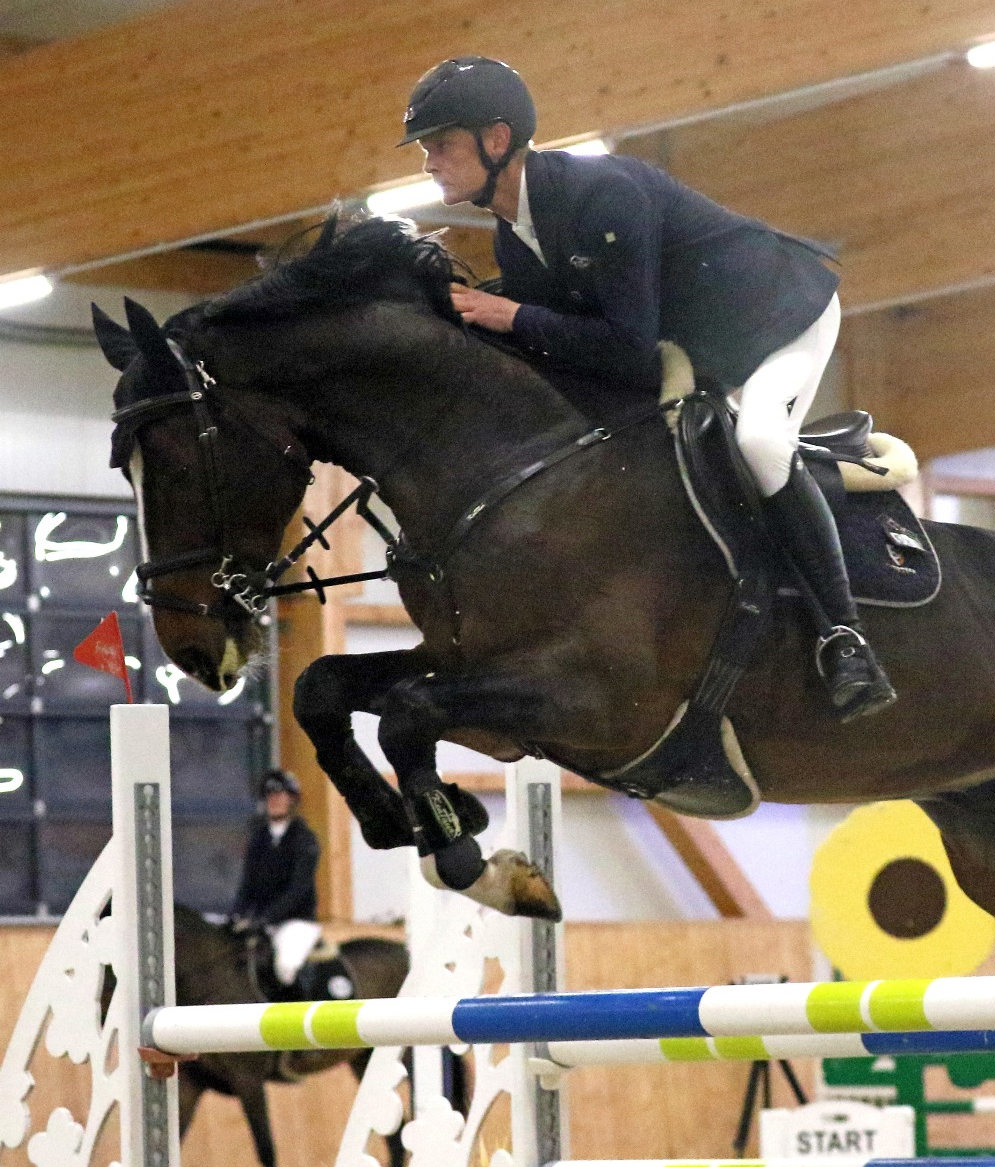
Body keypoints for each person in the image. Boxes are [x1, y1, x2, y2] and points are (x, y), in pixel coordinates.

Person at [397, 56, 896, 723]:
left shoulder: (603, 195)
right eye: (427, 148)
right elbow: (574, 349)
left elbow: (628, 351)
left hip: (777, 319)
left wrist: (508, 315)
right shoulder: (517, 243)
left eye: (441, 144)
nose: (429, 161)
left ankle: (845, 637)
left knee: (759, 441)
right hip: (702, 346)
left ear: (496, 140)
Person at [232, 768, 323, 988]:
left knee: (286, 965)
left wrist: (267, 917)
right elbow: (248, 884)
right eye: (270, 796)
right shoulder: (258, 838)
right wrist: (238, 914)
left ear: (291, 800)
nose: (275, 800)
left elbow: (298, 889)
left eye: (281, 795)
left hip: (295, 921)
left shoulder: (304, 839)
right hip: (262, 922)